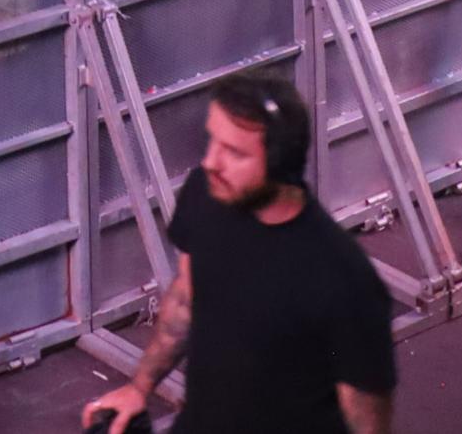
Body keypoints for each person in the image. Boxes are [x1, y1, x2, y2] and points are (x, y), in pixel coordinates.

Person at [81, 76, 396, 434]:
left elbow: (366, 423)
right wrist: (139, 388)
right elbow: (185, 301)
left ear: (281, 165)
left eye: (235, 152)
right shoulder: (205, 194)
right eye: (213, 140)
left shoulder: (343, 278)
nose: (212, 162)